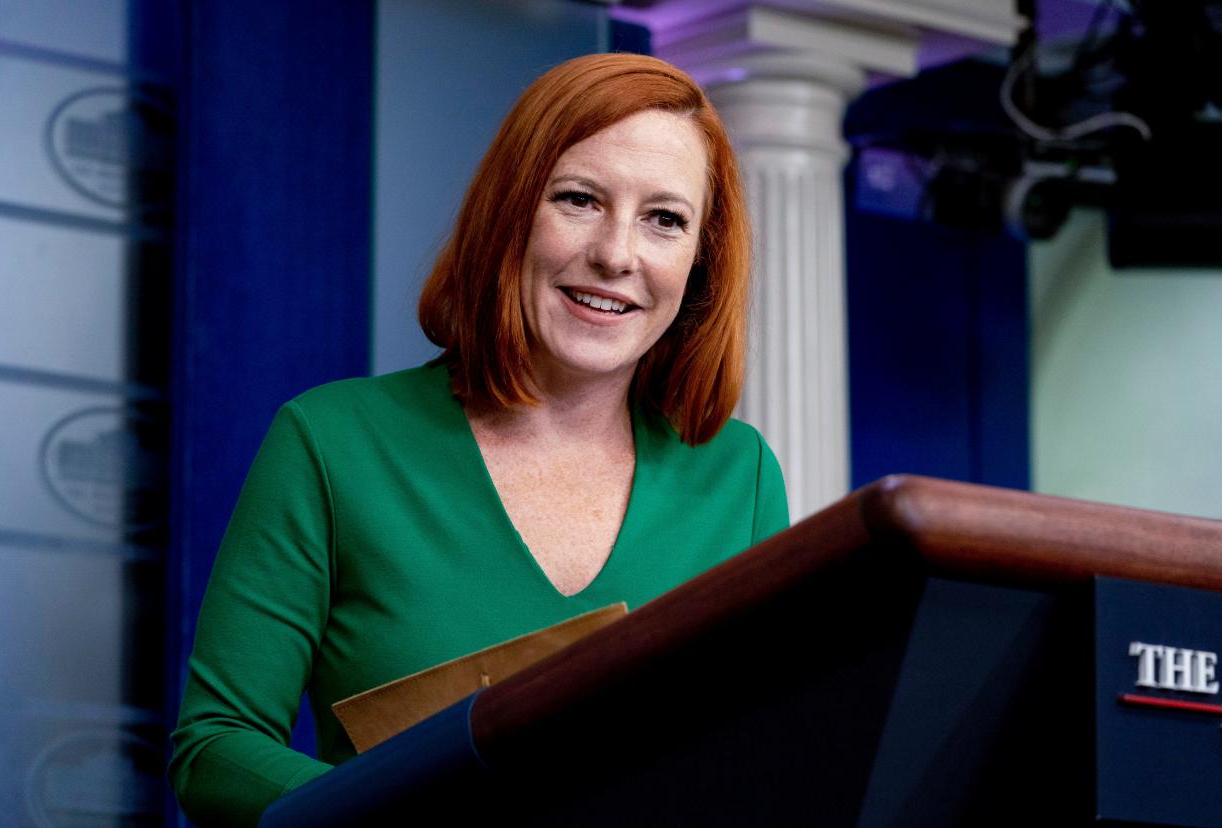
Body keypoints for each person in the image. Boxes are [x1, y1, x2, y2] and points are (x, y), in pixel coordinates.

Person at [168, 52, 789, 826]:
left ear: (701, 260)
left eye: (665, 219)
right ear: (510, 212)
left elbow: (771, 757)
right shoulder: (331, 442)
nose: (617, 254)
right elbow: (214, 748)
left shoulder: (742, 477)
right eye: (579, 199)